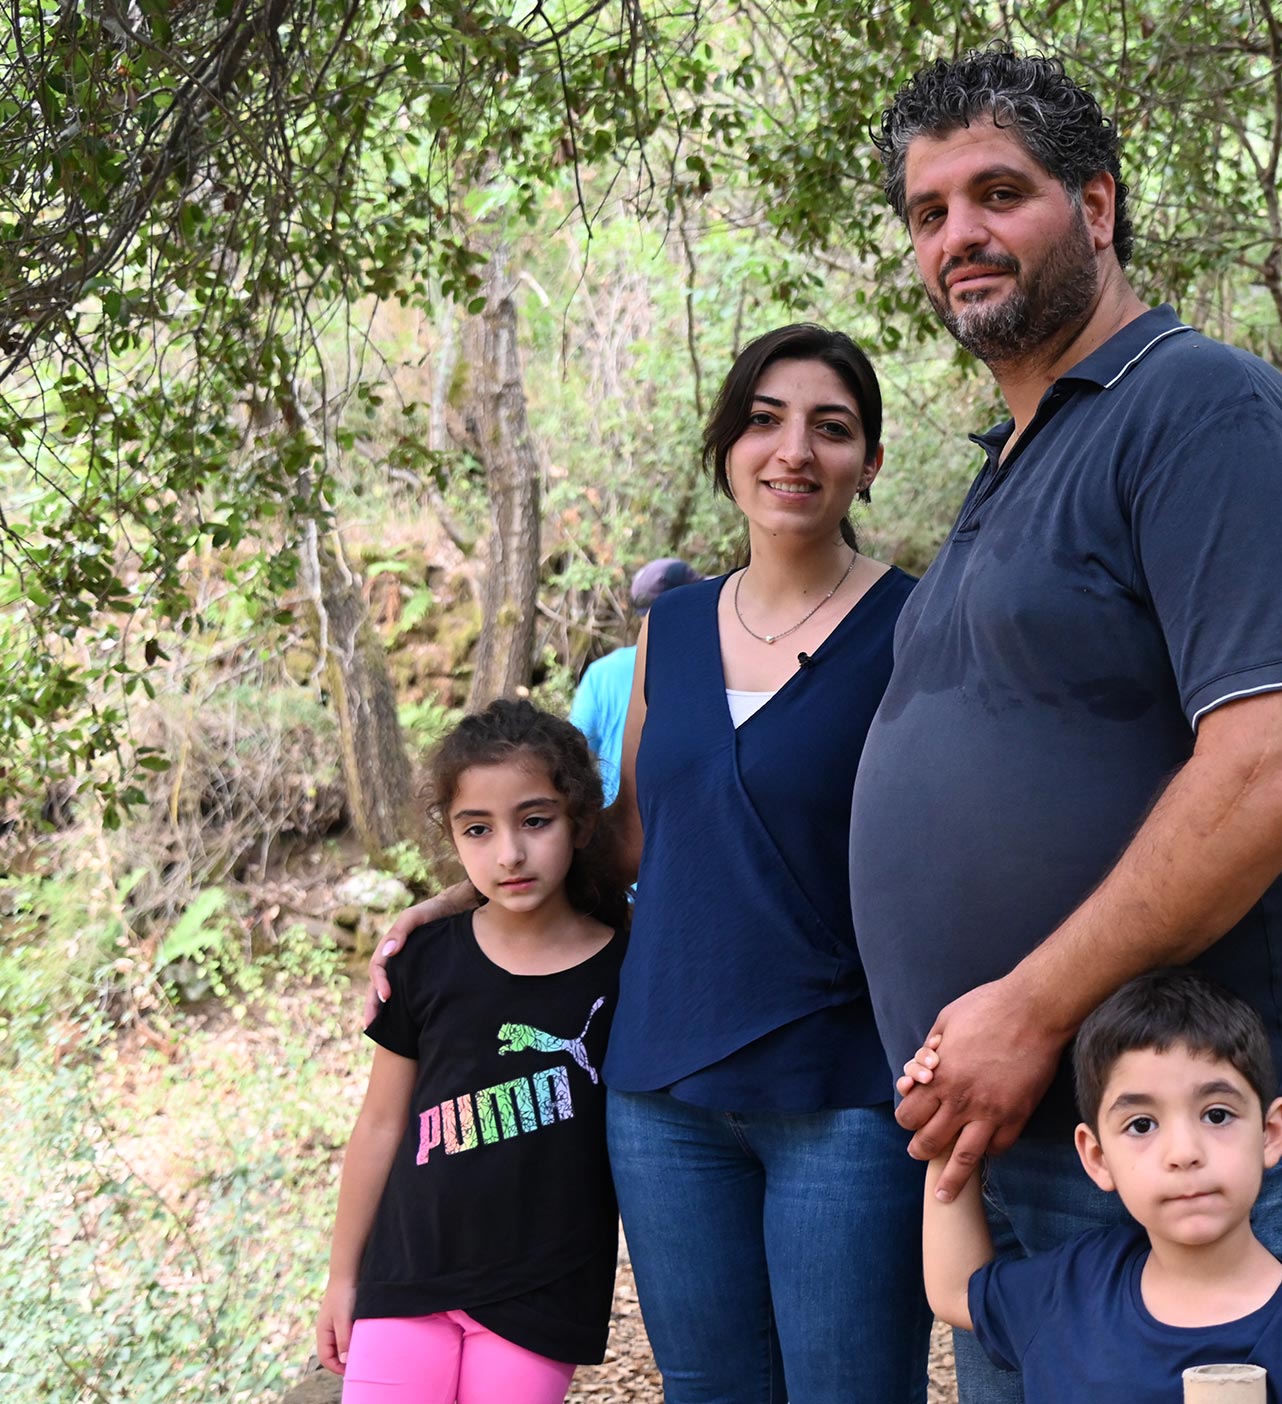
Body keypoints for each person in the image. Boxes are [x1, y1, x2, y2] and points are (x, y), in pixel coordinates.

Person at [852, 48, 1282, 1402]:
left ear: (1097, 203)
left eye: (998, 193)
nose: (959, 235)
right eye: (929, 211)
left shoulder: (1202, 412)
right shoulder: (1018, 457)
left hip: (1159, 1146)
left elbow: (1276, 770)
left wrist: (1030, 1009)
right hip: (1012, 1134)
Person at [370, 324, 929, 1403]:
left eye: (832, 427)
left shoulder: (917, 626)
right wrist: (463, 898)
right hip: (664, 1095)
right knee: (711, 1389)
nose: (793, 451)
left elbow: (949, 858)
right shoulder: (671, 631)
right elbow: (629, 839)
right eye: (764, 420)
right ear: (726, 445)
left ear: (868, 460)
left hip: (843, 1091)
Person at [319, 698, 628, 1404]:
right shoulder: (425, 962)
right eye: (478, 830)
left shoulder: (625, 970)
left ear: (580, 821)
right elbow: (379, 1124)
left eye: (535, 821)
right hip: (408, 1273)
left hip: (542, 1291)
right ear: (452, 837)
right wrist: (343, 1277)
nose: (509, 853)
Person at [918, 970, 1282, 1401]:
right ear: (1097, 1157)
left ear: (1272, 1132)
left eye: (1217, 1114)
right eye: (1141, 1124)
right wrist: (946, 1124)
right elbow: (956, 1292)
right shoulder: (1074, 1288)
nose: (1183, 1152)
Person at [570, 557, 697, 806]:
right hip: (675, 818)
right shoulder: (697, 668)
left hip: (614, 820)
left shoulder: (601, 673)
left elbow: (573, 753)